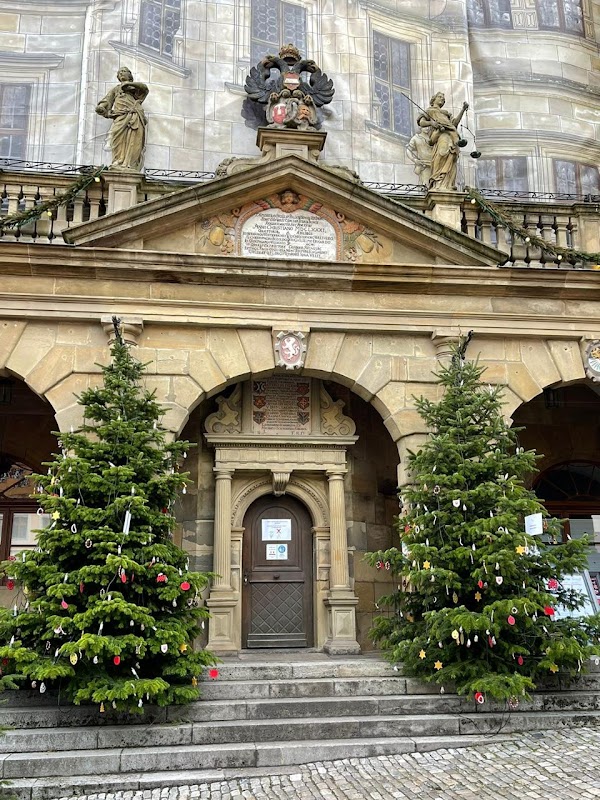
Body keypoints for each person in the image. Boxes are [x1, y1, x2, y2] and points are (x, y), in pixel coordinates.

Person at [96, 68, 149, 171]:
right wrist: (102, 107)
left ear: (129, 75)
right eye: (119, 73)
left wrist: (128, 85)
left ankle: (130, 164)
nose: (121, 73)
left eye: (123, 71)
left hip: (134, 116)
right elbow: (107, 100)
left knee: (134, 141)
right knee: (117, 138)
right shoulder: (116, 89)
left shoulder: (134, 89)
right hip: (120, 117)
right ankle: (118, 161)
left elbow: (145, 88)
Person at [417, 92, 468, 191]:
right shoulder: (430, 111)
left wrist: (463, 109)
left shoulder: (446, 113)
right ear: (433, 99)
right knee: (442, 154)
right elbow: (421, 122)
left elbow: (455, 124)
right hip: (442, 135)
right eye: (440, 97)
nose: (442, 99)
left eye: (443, 98)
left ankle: (448, 184)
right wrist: (432, 123)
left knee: (451, 156)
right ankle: (438, 182)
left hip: (451, 135)